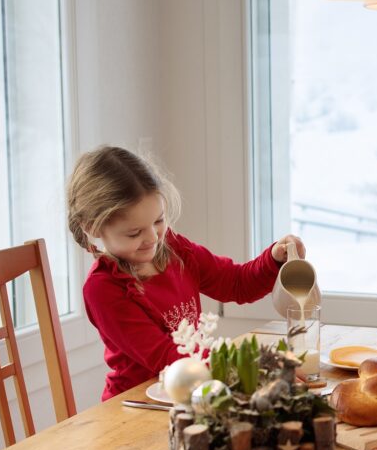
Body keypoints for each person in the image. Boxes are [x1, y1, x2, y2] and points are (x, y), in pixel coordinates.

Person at [67, 145, 306, 401]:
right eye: (134, 232)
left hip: (193, 388)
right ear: (92, 227)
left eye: (158, 221)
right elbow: (166, 357)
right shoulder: (104, 288)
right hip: (137, 405)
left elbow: (236, 284)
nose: (152, 237)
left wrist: (272, 259)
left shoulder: (175, 249)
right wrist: (253, 367)